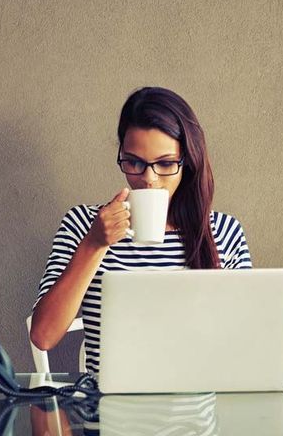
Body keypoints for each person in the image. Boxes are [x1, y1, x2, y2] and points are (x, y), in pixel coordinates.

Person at [30, 86, 252, 374]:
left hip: (196, 411)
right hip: (108, 411)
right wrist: (95, 244)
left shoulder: (224, 233)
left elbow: (246, 344)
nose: (149, 179)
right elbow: (44, 336)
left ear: (188, 161)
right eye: (134, 162)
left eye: (166, 163)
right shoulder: (83, 224)